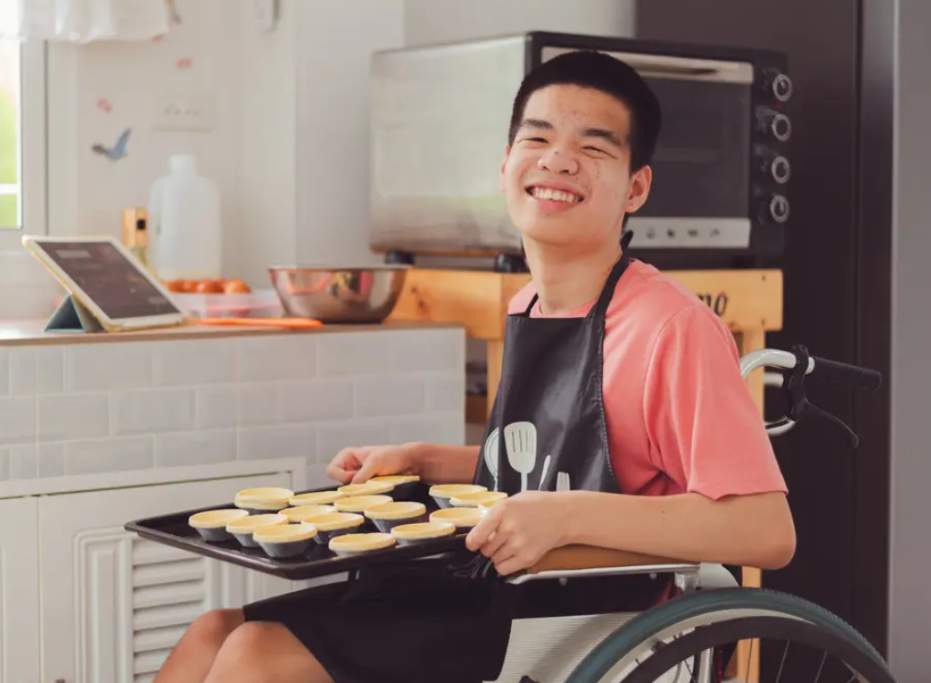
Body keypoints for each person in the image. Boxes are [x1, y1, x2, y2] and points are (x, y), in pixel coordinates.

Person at [154, 49, 795, 683]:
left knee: (255, 656)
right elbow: (557, 462)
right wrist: (430, 459)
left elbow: (763, 528)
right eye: (537, 137)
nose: (558, 158)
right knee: (214, 632)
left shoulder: (671, 327)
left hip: (588, 606)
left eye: (594, 147)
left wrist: (563, 517)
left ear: (636, 188)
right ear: (506, 166)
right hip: (494, 584)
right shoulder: (530, 303)